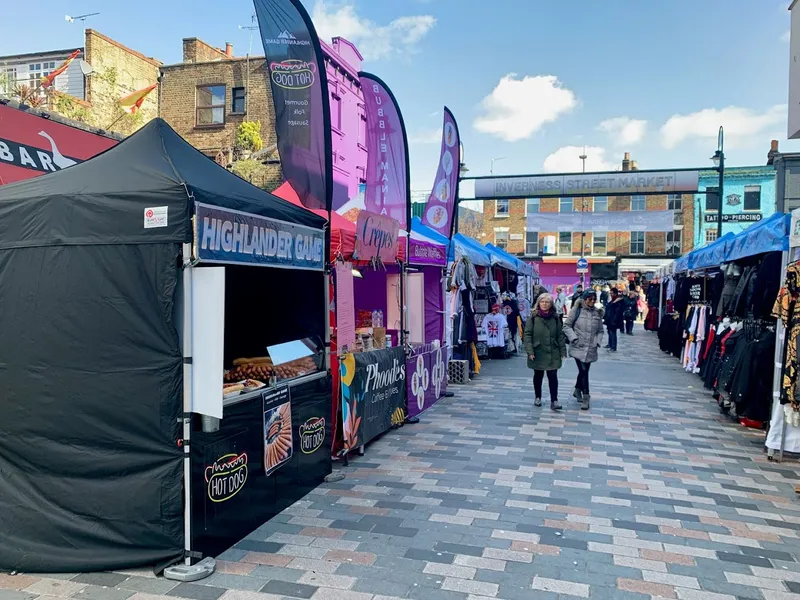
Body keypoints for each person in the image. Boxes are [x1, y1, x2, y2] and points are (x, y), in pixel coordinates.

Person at [523, 293, 566, 410]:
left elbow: (560, 335)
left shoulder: (555, 317)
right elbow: (527, 335)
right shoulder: (533, 317)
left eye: (547, 302)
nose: (544, 304)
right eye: (542, 302)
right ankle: (538, 397)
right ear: (538, 303)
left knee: (553, 375)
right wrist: (530, 351)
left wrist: (563, 352)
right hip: (538, 351)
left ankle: (554, 400)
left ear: (551, 304)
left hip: (553, 350)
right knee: (538, 375)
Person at [563, 290, 604, 410]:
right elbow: (566, 325)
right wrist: (573, 338)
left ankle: (577, 389)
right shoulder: (577, 310)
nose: (592, 301)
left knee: (583, 371)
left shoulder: (597, 313)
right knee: (584, 370)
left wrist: (597, 341)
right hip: (578, 345)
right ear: (584, 299)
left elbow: (600, 330)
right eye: (589, 299)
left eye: (594, 299)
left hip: (591, 347)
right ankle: (586, 396)